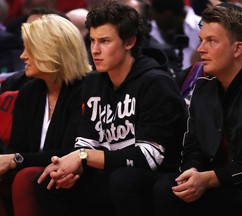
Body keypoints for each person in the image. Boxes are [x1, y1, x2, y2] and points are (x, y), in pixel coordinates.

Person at [35, 1, 188, 216]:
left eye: (105, 41)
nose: (95, 50)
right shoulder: (93, 83)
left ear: (129, 42)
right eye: (92, 41)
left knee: (122, 178)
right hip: (113, 171)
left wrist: (83, 156)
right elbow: (86, 141)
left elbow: (149, 157)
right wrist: (72, 170)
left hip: (159, 176)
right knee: (48, 181)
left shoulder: (156, 83)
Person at [153, 3, 242, 216]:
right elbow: (193, 146)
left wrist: (210, 178)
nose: (200, 49)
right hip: (215, 182)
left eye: (211, 41)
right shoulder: (203, 86)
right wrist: (193, 172)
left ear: (237, 48)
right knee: (168, 188)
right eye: (201, 40)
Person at [0, 14, 91, 216]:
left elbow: (69, 153)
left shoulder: (88, 90)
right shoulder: (29, 91)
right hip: (35, 176)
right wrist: (13, 158)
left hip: (76, 180)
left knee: (27, 176)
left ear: (52, 51)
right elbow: (16, 147)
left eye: (29, 49)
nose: (22, 56)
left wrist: (16, 159)